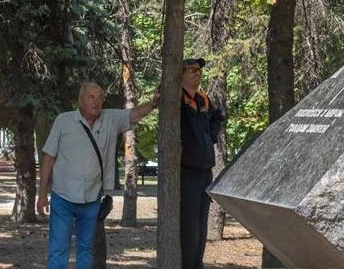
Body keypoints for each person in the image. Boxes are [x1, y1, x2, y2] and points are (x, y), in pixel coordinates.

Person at [37, 82, 158, 269]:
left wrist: (154, 102)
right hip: (63, 197)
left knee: (86, 250)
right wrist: (43, 194)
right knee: (58, 250)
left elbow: (135, 114)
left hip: (91, 199)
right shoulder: (63, 121)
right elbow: (48, 158)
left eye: (100, 97)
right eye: (91, 97)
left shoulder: (111, 119)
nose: (97, 101)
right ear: (80, 100)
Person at [180, 57, 225, 269]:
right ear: (180, 74)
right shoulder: (177, 99)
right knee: (189, 230)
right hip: (185, 173)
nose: (197, 73)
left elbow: (218, 117)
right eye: (191, 70)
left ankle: (197, 265)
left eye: (199, 70)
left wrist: (209, 137)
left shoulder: (203, 99)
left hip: (205, 173)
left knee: (201, 230)